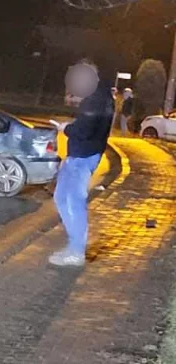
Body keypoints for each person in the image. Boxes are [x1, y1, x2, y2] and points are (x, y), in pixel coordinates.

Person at [49, 59, 114, 267]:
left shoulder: (94, 100)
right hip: (83, 155)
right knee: (61, 197)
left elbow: (84, 131)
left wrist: (65, 128)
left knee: (73, 201)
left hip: (82, 157)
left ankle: (76, 251)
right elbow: (90, 125)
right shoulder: (102, 97)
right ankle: (74, 245)